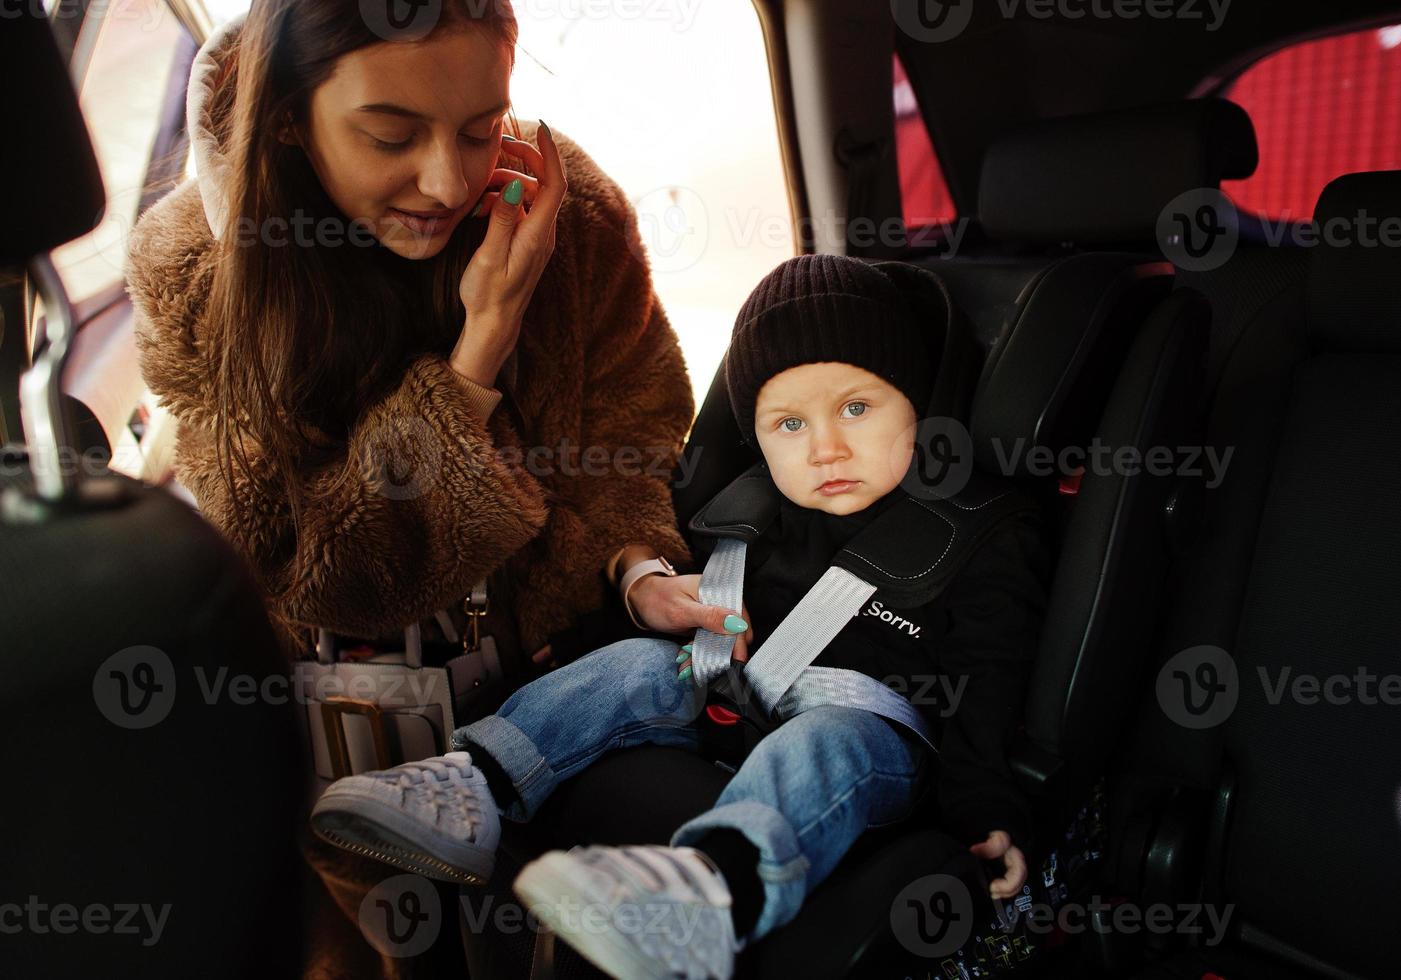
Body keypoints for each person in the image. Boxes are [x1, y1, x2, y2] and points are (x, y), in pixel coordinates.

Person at [124, 3, 749, 976]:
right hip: (344, 721)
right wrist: (479, 351)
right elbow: (314, 569)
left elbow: (632, 428)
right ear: (289, 115)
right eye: (391, 134)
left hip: (546, 678)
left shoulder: (566, 210)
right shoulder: (197, 270)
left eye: (479, 125)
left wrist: (638, 564)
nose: (448, 180)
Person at [310, 254, 1052, 979]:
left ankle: (710, 888)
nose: (825, 448)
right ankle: (474, 785)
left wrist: (985, 805)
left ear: (918, 402)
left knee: (830, 738)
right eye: (786, 425)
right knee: (638, 663)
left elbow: (990, 677)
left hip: (871, 736)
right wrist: (577, 644)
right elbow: (677, 604)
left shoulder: (979, 533)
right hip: (731, 694)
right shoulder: (751, 506)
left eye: (856, 409)